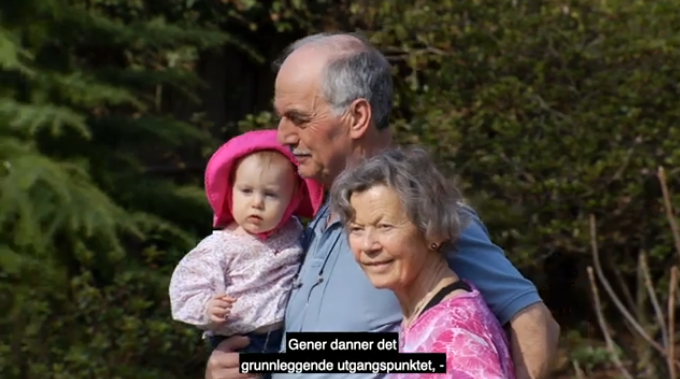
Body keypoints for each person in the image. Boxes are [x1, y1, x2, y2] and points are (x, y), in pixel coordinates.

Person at [205, 32, 560, 379]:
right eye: (280, 117)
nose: (283, 135)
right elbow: (339, 352)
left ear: (358, 117)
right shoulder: (314, 223)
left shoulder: (424, 216)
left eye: (299, 118)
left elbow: (533, 321)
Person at [330, 146, 515, 379]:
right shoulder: (424, 317)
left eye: (384, 227)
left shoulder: (455, 336)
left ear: (433, 232)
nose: (368, 245)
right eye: (356, 229)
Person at [169, 129, 324, 354]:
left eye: (270, 194)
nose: (257, 203)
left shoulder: (295, 230)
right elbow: (186, 288)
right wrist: (208, 309)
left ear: (293, 199)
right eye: (246, 191)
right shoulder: (219, 246)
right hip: (244, 340)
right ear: (230, 192)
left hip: (288, 333)